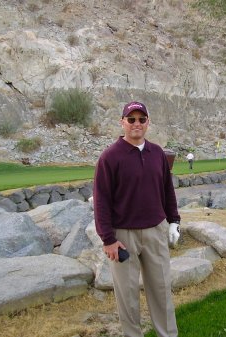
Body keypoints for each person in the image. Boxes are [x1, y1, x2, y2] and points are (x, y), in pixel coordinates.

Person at [93, 101, 181, 337]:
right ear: (122, 122)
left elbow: (167, 190)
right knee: (128, 297)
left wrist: (174, 221)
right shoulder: (109, 157)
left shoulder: (158, 154)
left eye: (141, 119)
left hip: (155, 231)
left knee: (162, 291)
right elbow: (101, 201)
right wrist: (108, 239)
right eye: (131, 119)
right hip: (123, 236)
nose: (136, 124)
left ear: (148, 123)